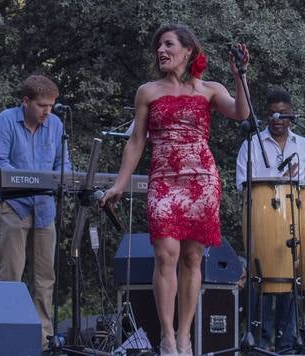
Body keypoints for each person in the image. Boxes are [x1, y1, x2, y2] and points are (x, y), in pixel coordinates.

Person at [104, 24, 251, 356]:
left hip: (201, 180)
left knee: (192, 257)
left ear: (188, 51)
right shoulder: (148, 92)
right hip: (164, 180)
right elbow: (137, 140)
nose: (161, 50)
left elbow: (240, 112)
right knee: (164, 254)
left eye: (168, 44)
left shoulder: (209, 89)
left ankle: (185, 336)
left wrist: (240, 76)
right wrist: (120, 184)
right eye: (158, 46)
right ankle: (167, 336)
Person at [234, 88, 305, 353]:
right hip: (262, 222)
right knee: (260, 278)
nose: (277, 119)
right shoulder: (251, 144)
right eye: (272, 113)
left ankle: (286, 345)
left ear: (291, 116)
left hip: (295, 220)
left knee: (291, 279)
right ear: (266, 115)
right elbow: (242, 185)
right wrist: (281, 176)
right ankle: (259, 343)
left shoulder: (304, 145)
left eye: (283, 114)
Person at [0, 73, 70, 351]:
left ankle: (43, 339)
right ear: (25, 101)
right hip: (14, 204)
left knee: (45, 277)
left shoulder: (56, 125)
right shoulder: (5, 121)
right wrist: (35, 180)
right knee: (11, 273)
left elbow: (64, 164)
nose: (48, 111)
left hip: (45, 207)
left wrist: (64, 180)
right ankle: (8, 335)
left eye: (51, 105)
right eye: (42, 106)